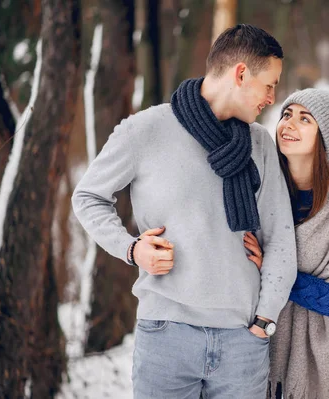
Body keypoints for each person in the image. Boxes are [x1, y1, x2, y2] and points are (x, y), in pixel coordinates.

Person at [71, 24, 297, 399]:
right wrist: (131, 249)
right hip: (165, 338)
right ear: (241, 74)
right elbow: (88, 196)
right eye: (269, 84)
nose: (272, 98)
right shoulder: (145, 131)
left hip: (242, 344)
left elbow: (281, 239)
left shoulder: (259, 144)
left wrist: (264, 319)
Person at [246, 88, 329, 398]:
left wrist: (275, 271)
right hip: (245, 342)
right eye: (287, 114)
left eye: (304, 119)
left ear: (324, 135)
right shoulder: (256, 185)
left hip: (310, 354)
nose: (289, 124)